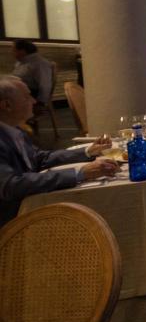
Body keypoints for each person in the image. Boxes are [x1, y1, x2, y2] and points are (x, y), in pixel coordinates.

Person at [0, 77, 119, 223]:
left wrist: (88, 151)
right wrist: (80, 173)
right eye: (27, 96)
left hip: (32, 204)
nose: (34, 101)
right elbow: (11, 186)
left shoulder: (14, 129)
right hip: (13, 221)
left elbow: (39, 159)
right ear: (7, 105)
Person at [9, 41, 54, 106]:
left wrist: (40, 103)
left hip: (30, 95)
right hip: (16, 91)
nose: (11, 52)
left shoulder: (39, 63)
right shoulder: (20, 62)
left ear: (22, 51)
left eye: (14, 50)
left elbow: (45, 85)